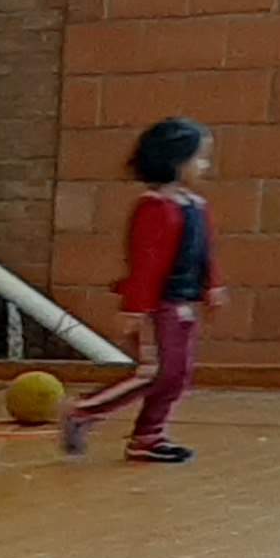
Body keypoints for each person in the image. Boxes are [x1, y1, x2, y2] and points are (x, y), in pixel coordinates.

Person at [67, 118, 212, 465]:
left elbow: (204, 252)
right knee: (155, 372)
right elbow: (146, 262)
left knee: (176, 376)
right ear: (176, 161)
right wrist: (136, 307)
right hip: (158, 306)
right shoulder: (154, 207)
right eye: (199, 158)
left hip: (182, 302)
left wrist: (212, 285)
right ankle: (82, 411)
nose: (205, 166)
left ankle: (149, 437)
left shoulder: (195, 206)